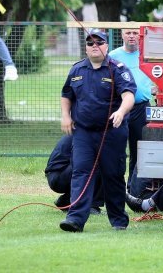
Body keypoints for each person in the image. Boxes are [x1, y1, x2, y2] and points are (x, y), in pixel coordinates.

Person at [58, 29, 135, 232]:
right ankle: (75, 219)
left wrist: (120, 112)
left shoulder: (117, 69)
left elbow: (129, 95)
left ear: (106, 46)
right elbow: (66, 95)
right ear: (86, 47)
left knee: (113, 174)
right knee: (80, 172)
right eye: (90, 43)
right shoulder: (76, 70)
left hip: (112, 132)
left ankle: (119, 221)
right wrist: (65, 116)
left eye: (99, 42)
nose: (94, 46)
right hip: (83, 132)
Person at [108, 27, 156, 196]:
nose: (132, 36)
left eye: (135, 33)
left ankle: (134, 190)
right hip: (119, 109)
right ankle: (115, 190)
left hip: (142, 108)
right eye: (128, 33)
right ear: (121, 35)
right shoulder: (113, 56)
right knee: (116, 151)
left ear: (140, 36)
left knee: (139, 150)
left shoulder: (147, 55)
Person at [44, 134, 104, 214]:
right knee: (99, 163)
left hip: (59, 174)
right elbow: (80, 164)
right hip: (58, 176)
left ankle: (66, 201)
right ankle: (92, 206)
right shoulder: (83, 134)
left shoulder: (85, 131)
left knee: (99, 162)